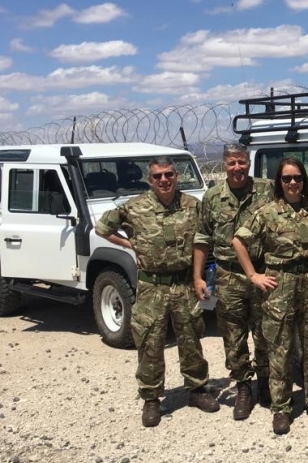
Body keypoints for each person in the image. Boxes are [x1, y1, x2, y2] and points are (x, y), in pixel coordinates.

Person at [95, 156, 220, 428]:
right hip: (152, 286)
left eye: (169, 174)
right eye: (158, 176)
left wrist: (200, 277)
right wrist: (129, 245)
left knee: (191, 339)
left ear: (176, 176)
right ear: (150, 179)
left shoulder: (192, 206)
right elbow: (102, 227)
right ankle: (151, 398)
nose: (164, 180)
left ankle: (197, 389)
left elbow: (204, 239)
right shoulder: (135, 207)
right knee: (150, 343)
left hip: (185, 283)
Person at [231, 157, 308, 435]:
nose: (293, 183)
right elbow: (238, 241)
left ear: (304, 180)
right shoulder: (267, 212)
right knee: (280, 349)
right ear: (279, 182)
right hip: (279, 284)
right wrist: (253, 275)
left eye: (297, 178)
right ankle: (281, 408)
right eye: (287, 178)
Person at [193, 143, 272, 420]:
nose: (237, 168)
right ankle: (242, 386)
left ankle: (265, 381)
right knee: (233, 335)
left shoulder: (267, 189)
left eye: (241, 162)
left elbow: (301, 196)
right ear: (224, 165)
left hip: (262, 273)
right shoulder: (212, 197)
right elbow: (202, 238)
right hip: (227, 276)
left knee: (265, 331)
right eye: (231, 163)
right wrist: (198, 277)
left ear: (248, 163)